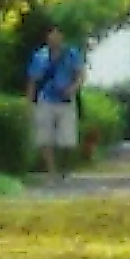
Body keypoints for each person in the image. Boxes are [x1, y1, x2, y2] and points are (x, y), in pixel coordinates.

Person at [25, 25, 85, 181]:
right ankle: (51, 172)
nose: (55, 38)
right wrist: (29, 102)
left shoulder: (71, 54)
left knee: (67, 140)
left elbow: (80, 74)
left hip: (65, 100)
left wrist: (73, 88)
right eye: (52, 35)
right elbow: (32, 80)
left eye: (58, 35)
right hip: (45, 99)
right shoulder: (40, 56)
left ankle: (65, 168)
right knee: (45, 138)